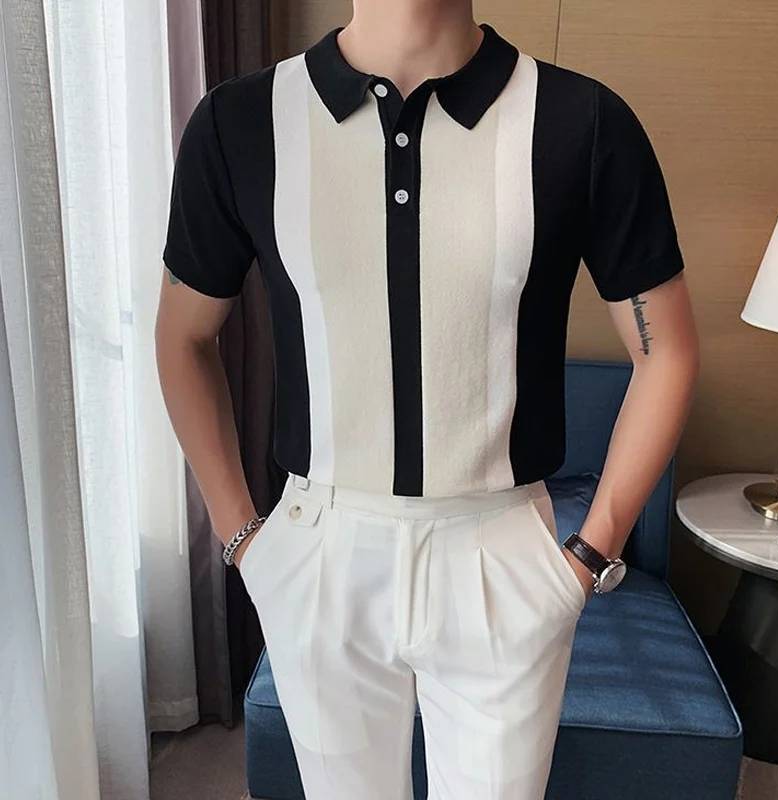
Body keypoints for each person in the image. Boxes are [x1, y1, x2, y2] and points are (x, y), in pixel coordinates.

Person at [155, 2, 700, 798]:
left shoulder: (581, 121)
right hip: (320, 545)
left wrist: (588, 555)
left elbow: (668, 350)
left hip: (500, 546)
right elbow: (182, 337)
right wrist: (244, 538)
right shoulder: (239, 122)